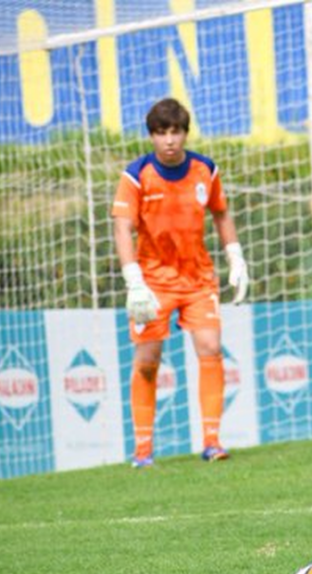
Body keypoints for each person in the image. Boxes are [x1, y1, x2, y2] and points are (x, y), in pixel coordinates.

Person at [111, 98, 249, 468]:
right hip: (152, 283)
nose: (169, 140)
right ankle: (143, 451)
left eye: (175, 132)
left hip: (198, 279)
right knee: (147, 360)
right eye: (161, 133)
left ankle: (212, 442)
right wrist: (133, 280)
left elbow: (221, 213)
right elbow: (122, 227)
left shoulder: (205, 169)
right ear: (151, 136)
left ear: (185, 133)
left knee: (211, 347)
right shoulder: (136, 175)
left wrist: (235, 257)